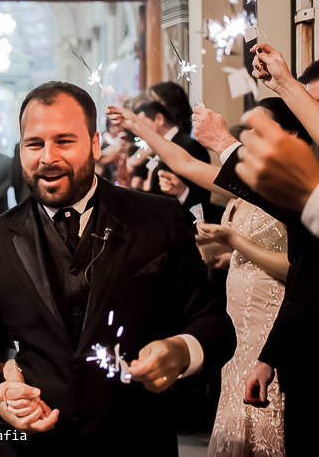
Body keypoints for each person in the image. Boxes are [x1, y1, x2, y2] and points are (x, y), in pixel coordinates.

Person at [0, 81, 235, 455]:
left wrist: (182, 350)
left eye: (64, 141)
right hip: (32, 448)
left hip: (136, 441)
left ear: (95, 144)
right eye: (34, 144)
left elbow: (213, 321)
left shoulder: (158, 219)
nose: (48, 157)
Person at [109, 98, 308, 455]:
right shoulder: (248, 184)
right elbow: (184, 163)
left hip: (274, 322)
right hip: (239, 324)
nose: (248, 138)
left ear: (291, 135)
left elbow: (301, 270)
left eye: (258, 130)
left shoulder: (299, 193)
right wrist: (136, 125)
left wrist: (235, 241)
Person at [198, 44, 319, 453]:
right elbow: (308, 281)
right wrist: (270, 356)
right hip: (285, 347)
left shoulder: (304, 187)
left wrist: (225, 143)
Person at [133, 101, 211, 215]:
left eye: (142, 124)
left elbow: (200, 197)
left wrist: (182, 191)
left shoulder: (188, 145)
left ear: (159, 119)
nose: (139, 131)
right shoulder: (153, 147)